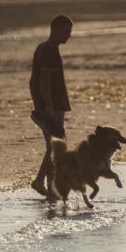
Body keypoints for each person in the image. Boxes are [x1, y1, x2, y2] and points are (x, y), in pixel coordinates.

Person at [29, 15, 73, 199]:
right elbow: (43, 80)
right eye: (66, 31)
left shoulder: (44, 48)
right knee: (56, 147)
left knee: (53, 147)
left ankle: (42, 182)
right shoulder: (48, 50)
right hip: (52, 107)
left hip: (51, 105)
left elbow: (34, 81)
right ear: (55, 29)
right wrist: (46, 106)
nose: (68, 36)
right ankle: (50, 187)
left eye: (69, 32)